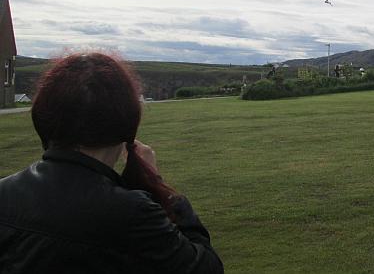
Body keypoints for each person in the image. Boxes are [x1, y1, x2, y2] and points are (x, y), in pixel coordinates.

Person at [0, 53, 223, 273]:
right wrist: (159, 187)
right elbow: (206, 266)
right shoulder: (132, 213)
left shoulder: (5, 192)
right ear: (125, 122)